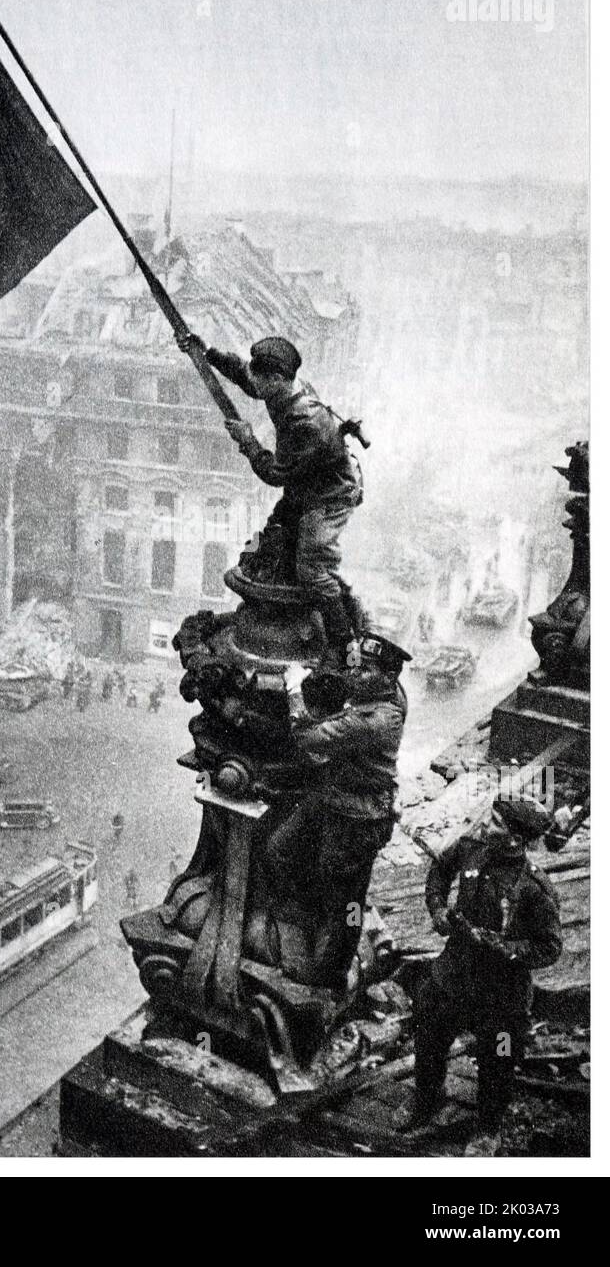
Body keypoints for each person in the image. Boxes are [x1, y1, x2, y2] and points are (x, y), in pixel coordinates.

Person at [398, 792, 562, 1156]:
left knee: (499, 1060)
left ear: (516, 839)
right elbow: (440, 871)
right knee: (428, 1039)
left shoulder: (535, 889)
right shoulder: (471, 848)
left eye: (496, 824)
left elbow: (550, 947)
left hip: (501, 996)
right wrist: (439, 910)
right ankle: (426, 1104)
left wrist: (506, 949)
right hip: (452, 977)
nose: (486, 825)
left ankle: (488, 1130)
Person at [178, 332, 367, 647]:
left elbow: (274, 474)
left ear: (278, 378)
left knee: (313, 571)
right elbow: (247, 377)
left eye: (262, 378)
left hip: (330, 495)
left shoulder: (305, 422)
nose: (256, 385)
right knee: (267, 538)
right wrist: (208, 352)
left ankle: (345, 644)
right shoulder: (284, 389)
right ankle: (248, 565)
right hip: (305, 482)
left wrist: (248, 441)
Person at [266, 631, 409, 989]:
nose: (356, 675)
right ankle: (305, 929)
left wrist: (295, 690)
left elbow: (306, 738)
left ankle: (329, 978)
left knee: (345, 901)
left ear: (389, 678)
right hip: (333, 796)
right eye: (358, 666)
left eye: (366, 671)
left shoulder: (376, 719)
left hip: (357, 817)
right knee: (279, 850)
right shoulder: (384, 693)